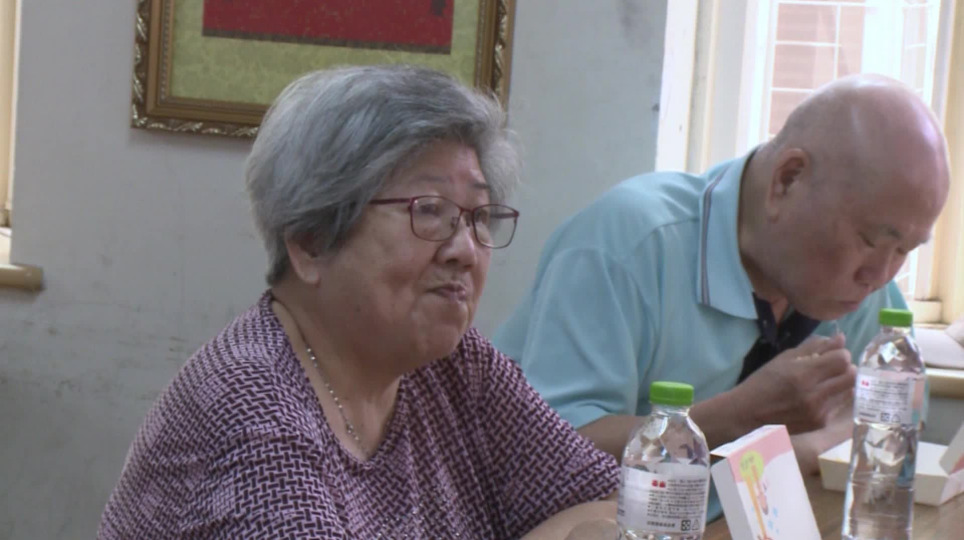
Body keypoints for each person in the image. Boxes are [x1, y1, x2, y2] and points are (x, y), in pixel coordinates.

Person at [98, 65, 621, 539]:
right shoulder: (252, 406)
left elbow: (619, 503)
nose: (465, 250)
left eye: (479, 217)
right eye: (429, 210)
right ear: (311, 241)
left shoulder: (455, 367)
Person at [494, 74, 950, 518]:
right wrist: (738, 417)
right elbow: (545, 456)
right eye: (870, 240)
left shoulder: (862, 286)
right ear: (788, 179)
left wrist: (806, 447)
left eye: (905, 250)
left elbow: (898, 417)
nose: (880, 275)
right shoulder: (628, 245)